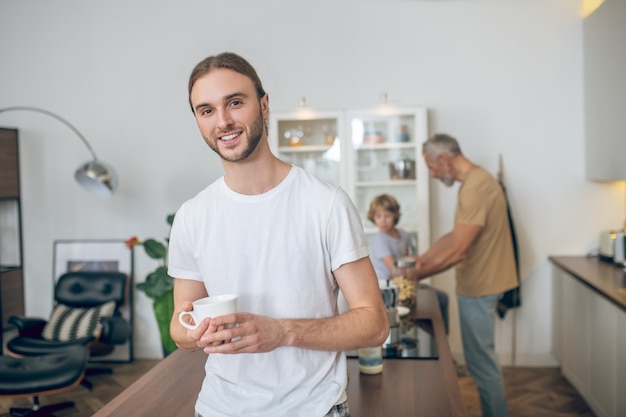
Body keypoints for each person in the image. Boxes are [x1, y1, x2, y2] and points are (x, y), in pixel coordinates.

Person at [167, 52, 389, 417]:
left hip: (313, 409)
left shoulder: (325, 203)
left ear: (264, 104)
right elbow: (180, 321)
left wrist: (283, 331)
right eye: (206, 111)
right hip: (218, 409)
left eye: (235, 103)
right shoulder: (193, 216)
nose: (223, 121)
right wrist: (192, 335)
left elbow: (374, 323)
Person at [410, 133, 518, 417]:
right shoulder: (472, 183)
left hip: (482, 286)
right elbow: (455, 236)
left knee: (482, 365)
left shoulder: (476, 187)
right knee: (482, 362)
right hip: (478, 284)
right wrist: (422, 260)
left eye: (432, 167)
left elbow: (459, 250)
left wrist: (416, 274)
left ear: (444, 159)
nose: (432, 175)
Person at [367, 194, 450, 333]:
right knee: (429, 302)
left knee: (440, 298)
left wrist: (411, 263)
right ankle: (434, 337)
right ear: (373, 218)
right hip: (387, 288)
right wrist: (409, 264)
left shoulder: (403, 235)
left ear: (395, 215)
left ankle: (440, 340)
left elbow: (410, 259)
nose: (383, 221)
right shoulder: (380, 240)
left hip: (403, 282)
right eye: (378, 216)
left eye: (387, 215)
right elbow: (395, 268)